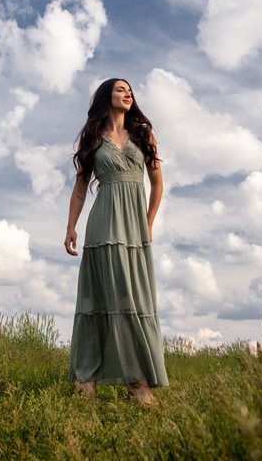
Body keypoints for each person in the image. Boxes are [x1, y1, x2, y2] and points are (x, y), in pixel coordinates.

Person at [64, 78, 168, 405]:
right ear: (107, 96)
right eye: (121, 89)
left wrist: (147, 223)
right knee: (95, 301)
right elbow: (81, 189)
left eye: (130, 91)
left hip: (135, 231)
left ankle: (137, 380)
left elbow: (157, 185)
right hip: (103, 226)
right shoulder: (93, 138)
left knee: (132, 301)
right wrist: (71, 227)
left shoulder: (142, 135)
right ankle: (86, 381)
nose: (128, 94)